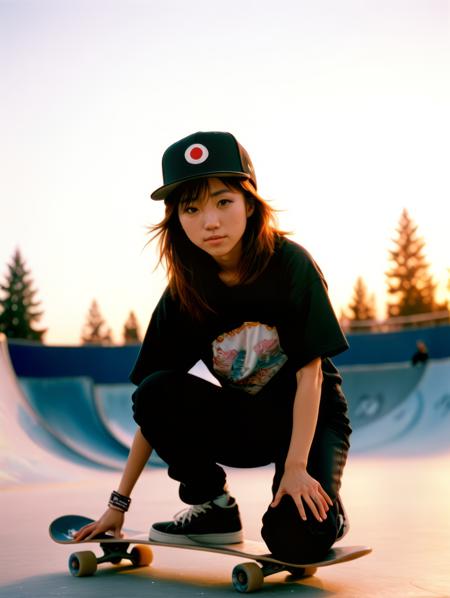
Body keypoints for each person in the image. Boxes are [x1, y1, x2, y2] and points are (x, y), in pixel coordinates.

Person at [75, 131, 352, 563]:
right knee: (154, 389)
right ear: (176, 219)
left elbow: (310, 372)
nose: (210, 221)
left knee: (299, 541)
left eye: (223, 201)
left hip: (312, 419)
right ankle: (214, 508)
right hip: (247, 422)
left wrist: (297, 469)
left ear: (249, 203)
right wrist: (118, 504)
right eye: (192, 208)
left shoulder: (290, 264)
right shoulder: (184, 294)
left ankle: (328, 513)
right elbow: (152, 409)